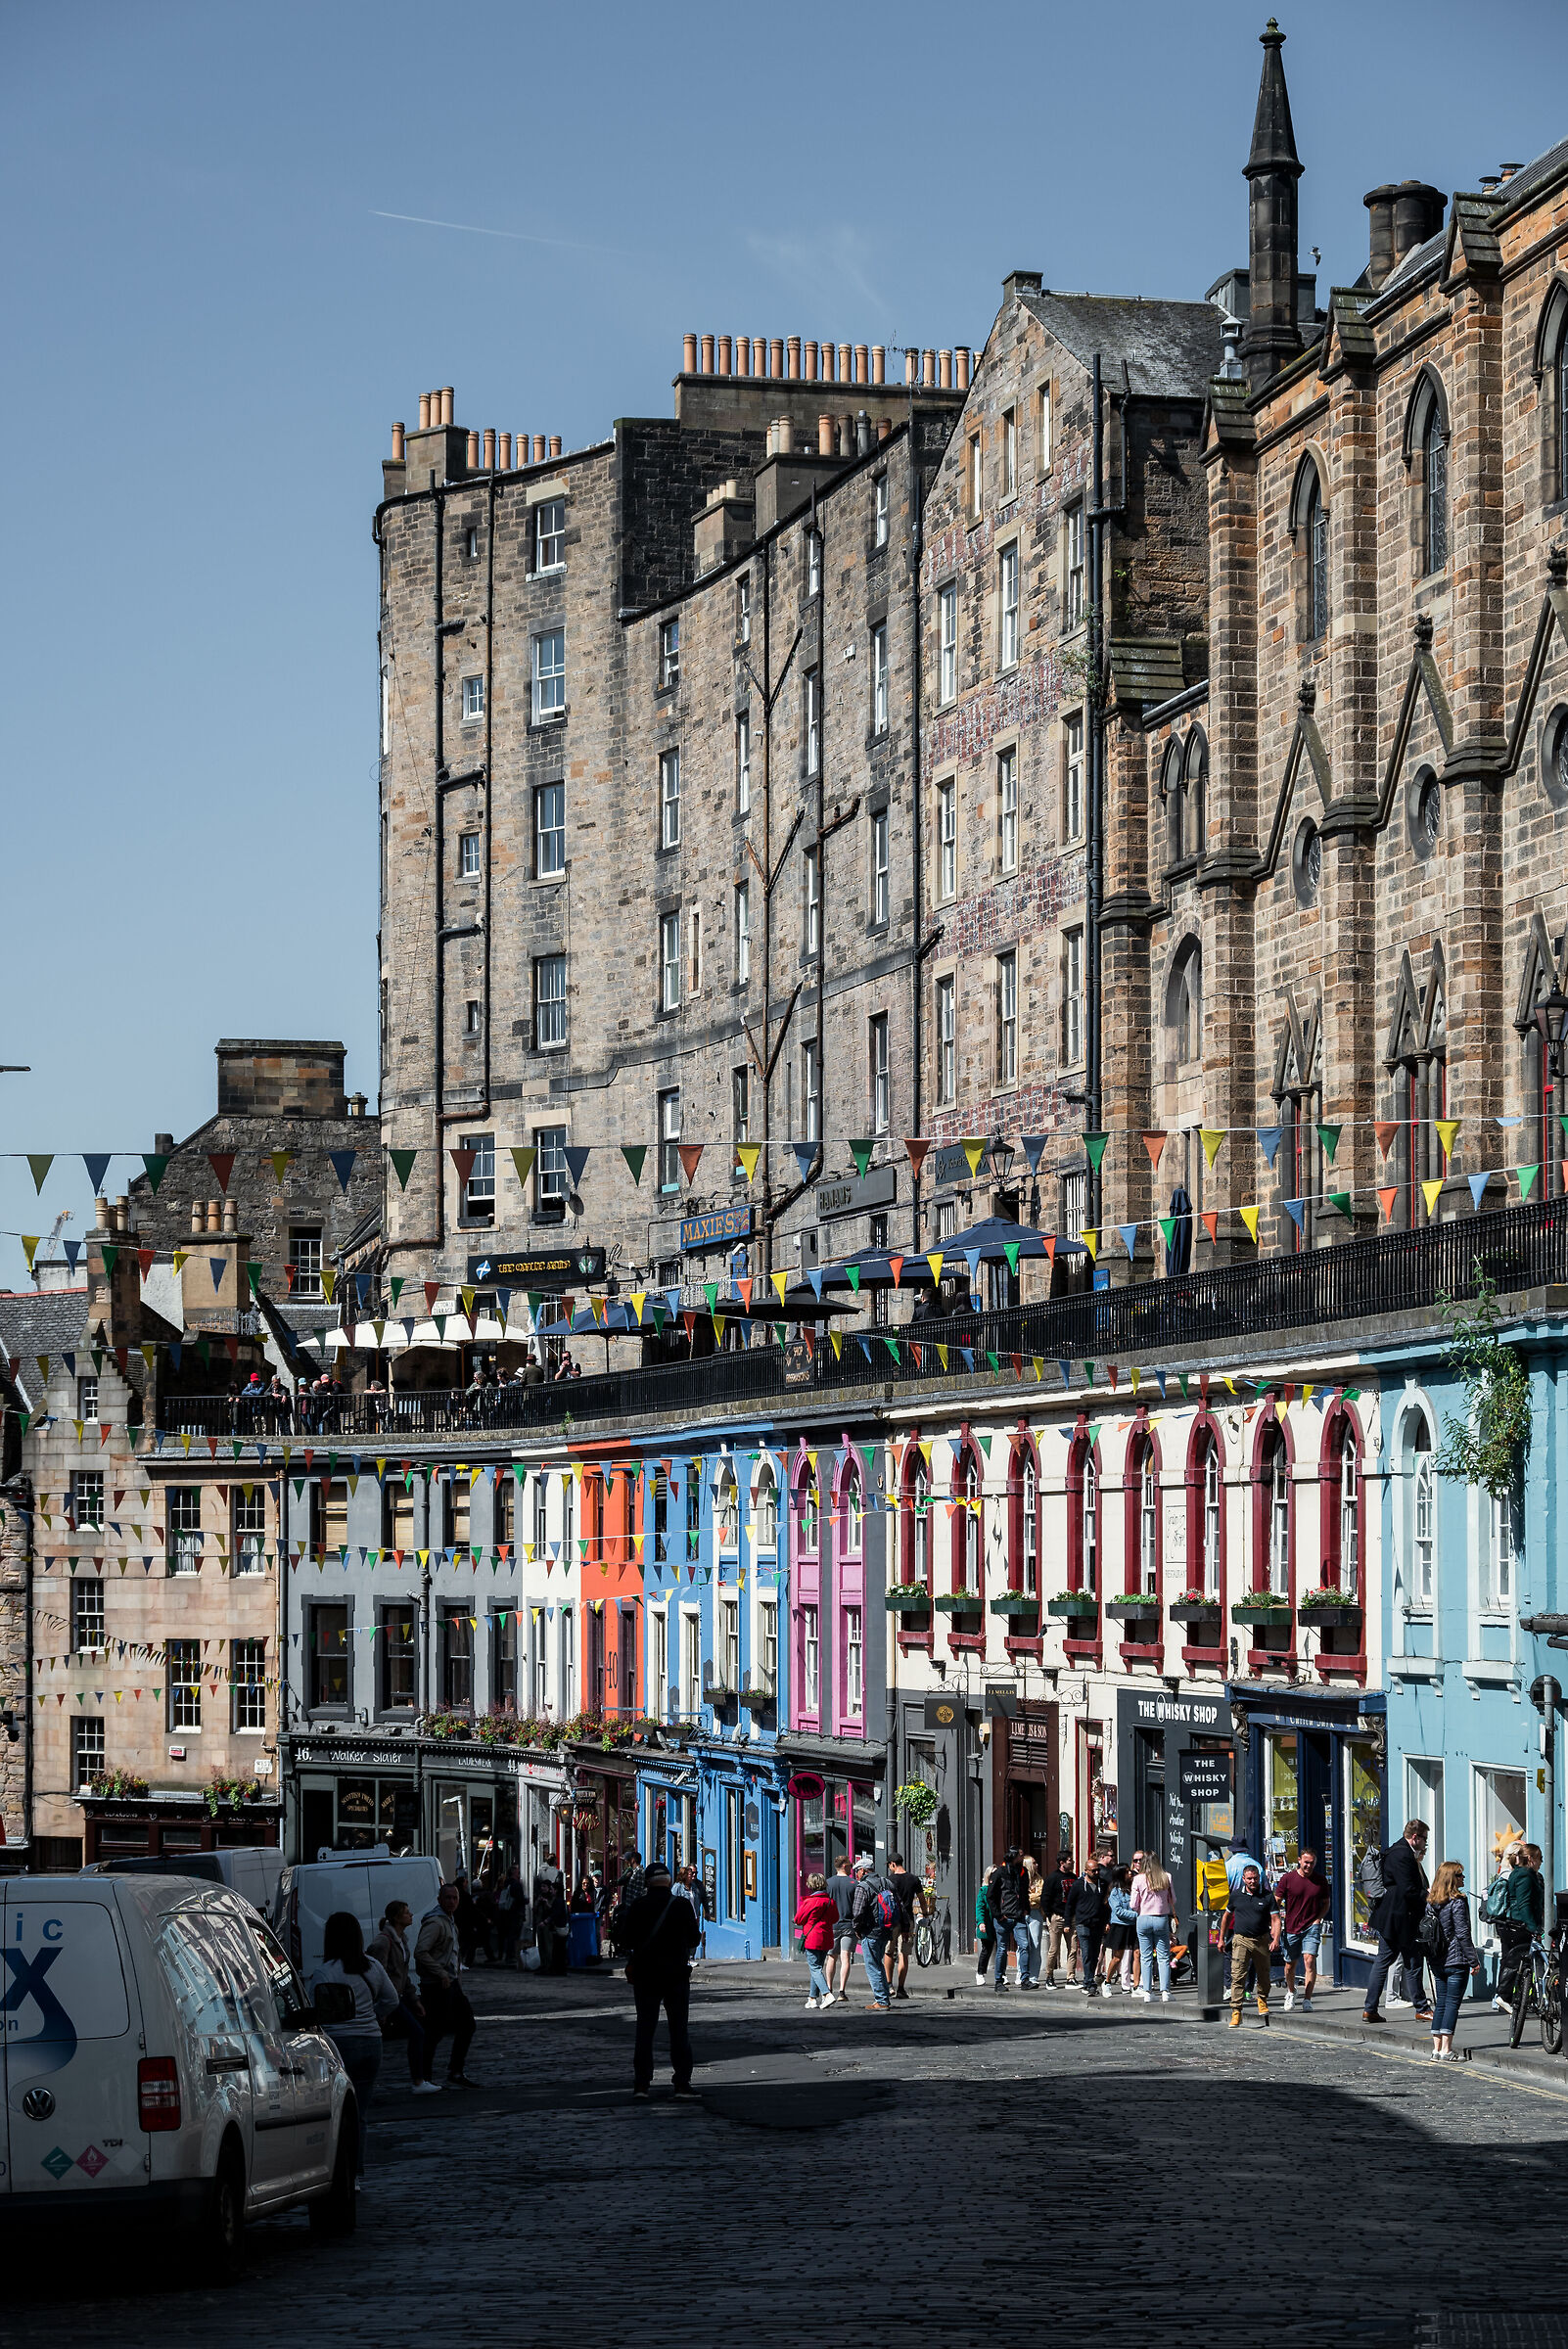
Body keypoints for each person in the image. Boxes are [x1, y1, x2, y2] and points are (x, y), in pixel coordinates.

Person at [309, 1911, 398, 2175]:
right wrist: (376, 2015)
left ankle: (339, 2170)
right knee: (360, 2113)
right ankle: (357, 2173)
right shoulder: (372, 1966)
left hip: (339, 2044)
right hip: (372, 2043)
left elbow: (316, 2010)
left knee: (338, 2113)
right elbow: (392, 1999)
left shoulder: (325, 1972)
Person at [622, 1857, 700, 2098]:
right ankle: (682, 2083)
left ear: (647, 1883)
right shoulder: (681, 1905)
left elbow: (626, 1939)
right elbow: (694, 1939)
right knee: (679, 2030)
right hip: (675, 1974)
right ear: (668, 1883)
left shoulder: (638, 1905)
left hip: (646, 1975)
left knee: (645, 2029)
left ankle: (642, 2084)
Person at [1362, 1819, 1432, 2025]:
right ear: (1415, 1837)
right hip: (1399, 1918)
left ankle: (1370, 2009)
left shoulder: (1395, 1850)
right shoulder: (1403, 1855)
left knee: (1388, 1961)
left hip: (1392, 1917)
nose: (1425, 1844)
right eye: (1424, 1839)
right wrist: (1426, 1894)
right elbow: (1407, 1889)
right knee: (1411, 1962)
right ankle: (1421, 2008)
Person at [367, 1900, 436, 2095]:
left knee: (416, 2032)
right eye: (407, 1912)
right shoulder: (383, 1942)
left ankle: (418, 2080)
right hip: (390, 1999)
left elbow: (402, 1975)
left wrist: (414, 2000)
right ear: (397, 1918)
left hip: (398, 1996)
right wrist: (382, 2006)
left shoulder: (401, 1938)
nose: (411, 1915)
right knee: (415, 2033)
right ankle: (418, 2081)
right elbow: (378, 1975)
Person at [415, 1883, 479, 2088]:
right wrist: (440, 1972)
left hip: (450, 1983)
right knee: (435, 2031)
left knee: (467, 2024)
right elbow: (421, 1951)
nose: (452, 1901)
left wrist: (456, 1977)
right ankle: (424, 2077)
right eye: (448, 1898)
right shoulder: (435, 1922)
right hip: (436, 1985)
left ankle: (455, 2071)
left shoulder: (450, 1920)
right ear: (439, 1900)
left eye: (455, 1898)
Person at [1426, 1859, 1482, 2060]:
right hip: (1456, 1960)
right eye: (1460, 1875)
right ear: (1451, 1879)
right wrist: (1473, 1960)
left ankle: (1436, 2049)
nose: (1463, 1878)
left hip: (1436, 1959)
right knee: (1451, 2004)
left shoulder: (1431, 1902)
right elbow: (1463, 1933)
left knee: (1441, 2003)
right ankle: (1447, 2050)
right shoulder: (1457, 1902)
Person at [1222, 1863, 1278, 2027]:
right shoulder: (1236, 1895)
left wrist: (1275, 1939)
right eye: (1249, 1879)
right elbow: (1226, 1916)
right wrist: (1221, 1938)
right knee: (1238, 1975)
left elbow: (1275, 1919)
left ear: (1259, 1878)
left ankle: (1262, 2000)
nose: (1252, 1882)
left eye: (1255, 1878)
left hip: (1262, 1940)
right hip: (1240, 1940)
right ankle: (1236, 2011)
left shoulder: (1267, 1896)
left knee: (1264, 1974)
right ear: (1243, 1879)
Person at [1492, 1841, 1545, 2012]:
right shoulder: (1525, 1875)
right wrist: (1532, 1927)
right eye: (1539, 1858)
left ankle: (1517, 2001)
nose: (1541, 1862)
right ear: (1530, 1858)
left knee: (1516, 1962)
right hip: (1519, 1925)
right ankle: (1504, 1996)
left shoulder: (1518, 1873)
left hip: (1514, 1924)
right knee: (1516, 1961)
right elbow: (1524, 1904)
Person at [1276, 1849, 1331, 2013]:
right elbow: (1277, 1901)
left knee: (1309, 1961)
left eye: (1312, 1863)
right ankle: (1291, 1992)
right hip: (1292, 1927)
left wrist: (1318, 1919)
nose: (1308, 1866)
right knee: (1289, 1965)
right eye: (1306, 1862)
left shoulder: (1320, 1880)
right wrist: (1276, 1921)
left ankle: (1307, 1999)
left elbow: (1326, 1903)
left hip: (1311, 1927)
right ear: (1299, 1860)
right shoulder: (1288, 1879)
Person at [851, 1853, 895, 2010]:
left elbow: (857, 1912)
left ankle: (881, 2000)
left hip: (870, 1931)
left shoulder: (863, 1887)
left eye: (857, 1871)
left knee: (872, 1966)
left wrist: (857, 1928)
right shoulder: (887, 1882)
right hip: (886, 1929)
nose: (856, 1874)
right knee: (878, 1964)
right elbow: (899, 1905)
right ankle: (884, 1997)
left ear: (863, 1871)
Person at [1130, 1854, 1176, 2003]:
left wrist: (1140, 1908)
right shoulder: (1166, 1876)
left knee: (1146, 1957)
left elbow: (1133, 1904)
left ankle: (1148, 1992)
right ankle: (1165, 1991)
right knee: (1163, 1956)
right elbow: (1173, 1899)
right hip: (1161, 1918)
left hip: (1143, 1918)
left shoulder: (1138, 1879)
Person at [884, 1851, 928, 2002]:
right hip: (907, 1920)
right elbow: (922, 1900)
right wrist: (925, 1914)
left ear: (893, 1864)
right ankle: (901, 1988)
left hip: (892, 1920)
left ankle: (889, 1986)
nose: (890, 1868)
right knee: (904, 1954)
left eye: (889, 1865)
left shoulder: (888, 1881)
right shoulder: (914, 1879)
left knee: (889, 1952)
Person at [988, 1847, 1031, 1992]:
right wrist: (998, 1915)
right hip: (1003, 1917)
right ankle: (999, 1980)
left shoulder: (1022, 1872)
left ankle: (1025, 1979)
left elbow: (1024, 1892)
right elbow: (990, 1896)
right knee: (1002, 1949)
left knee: (1024, 1945)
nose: (1022, 1858)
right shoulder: (999, 1872)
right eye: (1020, 1855)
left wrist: (1026, 1909)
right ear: (1013, 1857)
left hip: (1018, 1916)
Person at [794, 1871, 839, 2009]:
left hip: (812, 1938)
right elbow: (835, 1919)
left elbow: (798, 1919)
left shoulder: (810, 1902)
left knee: (815, 1968)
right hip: (826, 1938)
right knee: (817, 1968)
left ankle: (827, 1994)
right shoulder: (830, 1902)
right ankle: (812, 1999)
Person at [1068, 1857, 1110, 1997]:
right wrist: (1068, 1923)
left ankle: (1089, 1979)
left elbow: (1106, 1905)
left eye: (1098, 1870)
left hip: (1098, 1924)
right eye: (1093, 1871)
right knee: (1086, 1953)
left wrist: (1107, 1922)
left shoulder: (1103, 1884)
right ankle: (1089, 1982)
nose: (1097, 1873)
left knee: (1094, 1954)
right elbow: (1070, 1904)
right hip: (1083, 1924)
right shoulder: (1078, 1885)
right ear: (1086, 1871)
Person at [1040, 1852, 1080, 1988]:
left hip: (1071, 1917)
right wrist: (1049, 1914)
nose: (1073, 1862)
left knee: (1073, 1948)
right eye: (1070, 1860)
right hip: (1057, 1916)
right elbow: (1045, 1898)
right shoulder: (1053, 1878)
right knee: (1054, 1949)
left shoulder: (1074, 1878)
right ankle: (1049, 1976)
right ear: (1062, 1863)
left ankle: (1071, 1977)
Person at [827, 1855, 858, 2001]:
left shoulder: (828, 1883)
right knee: (845, 1957)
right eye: (850, 1866)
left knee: (831, 1957)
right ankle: (842, 1991)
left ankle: (828, 1989)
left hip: (832, 1925)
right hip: (848, 1925)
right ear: (845, 1866)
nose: (852, 1868)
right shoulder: (854, 1884)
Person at [1105, 1865, 1138, 1993]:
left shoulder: (1133, 1889)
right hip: (1120, 1926)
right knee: (1118, 1957)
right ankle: (1107, 1981)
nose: (1130, 1873)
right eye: (1127, 1872)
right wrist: (1137, 1915)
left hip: (1133, 1926)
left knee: (1137, 1954)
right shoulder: (1115, 1892)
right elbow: (1118, 1911)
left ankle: (1136, 1985)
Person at [533, 1856, 569, 1975]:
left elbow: (554, 1912)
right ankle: (545, 1965)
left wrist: (546, 1920)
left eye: (546, 1887)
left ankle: (549, 1967)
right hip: (543, 1924)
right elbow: (535, 1909)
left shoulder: (556, 1900)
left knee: (550, 1947)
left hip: (550, 1926)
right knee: (543, 1946)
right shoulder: (549, 1874)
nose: (543, 1889)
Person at [495, 1864, 530, 1968]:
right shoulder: (515, 1884)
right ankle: (511, 1956)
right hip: (515, 1912)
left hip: (508, 1912)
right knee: (514, 1935)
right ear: (514, 1873)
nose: (519, 1873)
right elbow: (519, 1898)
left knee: (510, 1934)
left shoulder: (507, 1883)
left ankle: (508, 1955)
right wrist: (526, 1900)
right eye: (517, 1872)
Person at [1021, 1854, 1045, 1988]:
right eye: (1034, 1863)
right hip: (1022, 1912)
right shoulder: (1021, 1878)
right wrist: (1029, 1898)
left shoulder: (1039, 1879)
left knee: (1035, 1944)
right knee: (1023, 1945)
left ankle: (1033, 1976)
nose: (1037, 1865)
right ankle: (1022, 1974)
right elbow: (1020, 1895)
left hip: (1035, 1912)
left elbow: (1040, 1896)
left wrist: (1029, 1898)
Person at [973, 1870, 997, 1989]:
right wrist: (981, 1922)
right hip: (988, 1923)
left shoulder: (1001, 1889)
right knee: (987, 1949)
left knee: (1002, 1949)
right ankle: (980, 1973)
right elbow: (980, 1907)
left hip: (999, 1922)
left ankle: (1001, 1974)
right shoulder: (984, 1891)